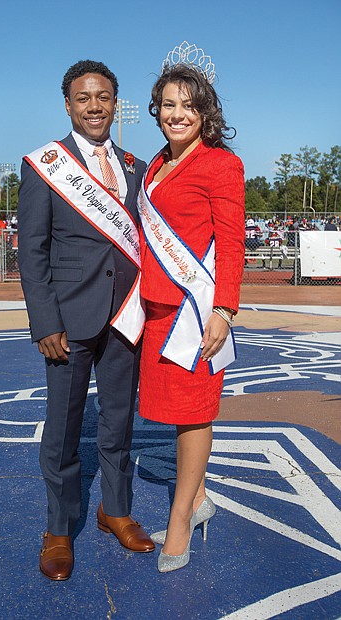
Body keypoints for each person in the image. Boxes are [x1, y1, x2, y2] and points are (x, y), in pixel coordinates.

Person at [17, 59, 154, 581]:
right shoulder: (45, 164)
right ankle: (58, 527)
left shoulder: (137, 166)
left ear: (116, 103)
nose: (94, 106)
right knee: (64, 428)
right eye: (83, 98)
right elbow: (32, 251)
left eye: (103, 97)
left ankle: (114, 510)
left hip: (127, 315)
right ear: (68, 104)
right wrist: (44, 321)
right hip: (67, 322)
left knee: (120, 422)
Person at [137, 44, 245, 573]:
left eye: (188, 105)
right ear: (156, 109)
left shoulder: (222, 165)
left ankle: (180, 520)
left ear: (205, 112)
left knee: (195, 414)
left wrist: (224, 309)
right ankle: (200, 499)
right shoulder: (155, 163)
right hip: (157, 311)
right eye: (167, 105)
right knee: (174, 415)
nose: (176, 114)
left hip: (196, 313)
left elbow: (231, 242)